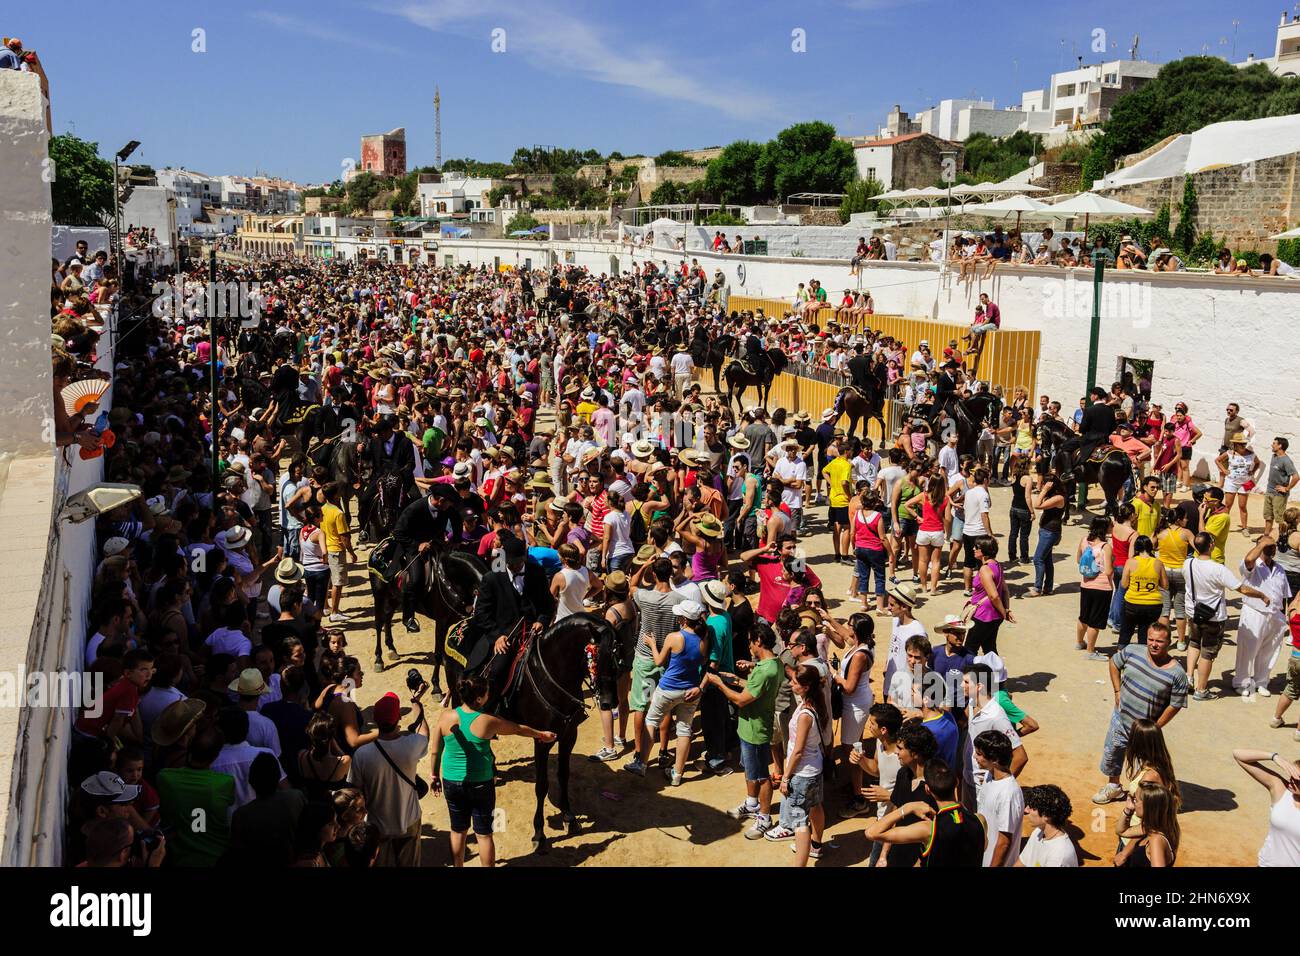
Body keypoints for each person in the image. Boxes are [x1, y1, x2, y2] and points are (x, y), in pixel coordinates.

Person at [431, 674, 556, 867]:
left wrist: (433, 775)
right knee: (484, 834)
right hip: (480, 783)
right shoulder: (488, 721)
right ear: (479, 699)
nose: (489, 696)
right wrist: (541, 734)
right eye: (487, 693)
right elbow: (518, 729)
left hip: (451, 781)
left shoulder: (446, 716)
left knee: (457, 830)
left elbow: (435, 751)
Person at [1094, 623, 1188, 804]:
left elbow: (1175, 705)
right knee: (1113, 753)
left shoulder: (1177, 674)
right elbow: (1114, 662)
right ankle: (1113, 787)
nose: (1153, 644)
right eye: (1151, 639)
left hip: (1146, 729)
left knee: (1151, 765)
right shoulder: (1132, 651)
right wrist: (1117, 691)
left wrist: (1155, 727)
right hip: (1120, 719)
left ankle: (1153, 799)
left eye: (1159, 641)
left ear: (1169, 642)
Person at [714, 622, 782, 840]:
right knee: (751, 770)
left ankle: (764, 818)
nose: (749, 647)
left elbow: (741, 700)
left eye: (751, 642)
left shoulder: (765, 671)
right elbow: (755, 688)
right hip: (749, 728)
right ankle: (752, 803)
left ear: (758, 641)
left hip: (755, 730)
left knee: (762, 775)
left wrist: (719, 684)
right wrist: (736, 679)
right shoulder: (771, 664)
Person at [348, 688, 429, 867]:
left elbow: (355, 790)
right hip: (408, 820)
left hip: (377, 825)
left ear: (376, 720)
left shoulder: (362, 755)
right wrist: (418, 707)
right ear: (398, 718)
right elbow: (424, 734)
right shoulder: (411, 746)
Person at [1184, 531, 1268, 700]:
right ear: (1211, 546)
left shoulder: (1188, 564)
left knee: (1194, 644)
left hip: (1193, 612)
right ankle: (1201, 690)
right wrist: (1261, 595)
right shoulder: (1218, 569)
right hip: (1213, 617)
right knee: (1208, 652)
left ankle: (1188, 678)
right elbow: (1241, 588)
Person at [637, 600, 709, 786]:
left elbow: (659, 661)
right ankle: (677, 774)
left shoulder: (674, 637)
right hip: (691, 689)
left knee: (651, 721)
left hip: (669, 688)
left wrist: (652, 644)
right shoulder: (703, 638)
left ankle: (642, 764)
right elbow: (702, 662)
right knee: (685, 729)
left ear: (684, 619)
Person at [766, 664, 829, 864]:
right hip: (814, 769)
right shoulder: (814, 704)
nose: (791, 684)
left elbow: (798, 751)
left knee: (799, 822)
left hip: (802, 774)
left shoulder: (804, 715)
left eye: (794, 682)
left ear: (806, 686)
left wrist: (786, 777)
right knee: (816, 806)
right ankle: (816, 846)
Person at [1235, 535, 1294, 698]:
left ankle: (1261, 681)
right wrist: (1262, 543)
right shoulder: (1252, 566)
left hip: (1275, 615)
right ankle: (1242, 682)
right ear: (1259, 547)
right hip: (1254, 612)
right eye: (1266, 546)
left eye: (1272, 546)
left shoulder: (1280, 568)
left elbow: (1284, 594)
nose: (1271, 549)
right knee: (1248, 649)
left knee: (1270, 651)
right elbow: (1248, 559)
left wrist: (1284, 615)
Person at [1232, 749, 1300, 866]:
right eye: (1291, 774)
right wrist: (1275, 757)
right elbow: (1238, 755)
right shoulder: (1281, 790)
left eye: (1297, 778)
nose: (1291, 780)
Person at [973, 730, 1024, 867]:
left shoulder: (1008, 794)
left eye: (979, 754)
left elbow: (1004, 842)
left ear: (994, 760)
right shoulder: (989, 776)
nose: (974, 756)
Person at [964, 536, 1013, 656]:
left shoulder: (985, 569)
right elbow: (1005, 591)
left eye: (977, 547)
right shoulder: (997, 565)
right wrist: (1005, 610)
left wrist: (1004, 613)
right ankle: (997, 673)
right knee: (989, 647)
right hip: (995, 616)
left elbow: (994, 596)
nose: (973, 549)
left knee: (970, 648)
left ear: (984, 551)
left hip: (983, 615)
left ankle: (970, 674)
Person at [1112, 782, 1178, 867]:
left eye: (1136, 800)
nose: (1133, 801)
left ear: (1148, 806)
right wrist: (1128, 810)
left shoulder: (1156, 840)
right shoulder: (1150, 827)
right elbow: (1121, 831)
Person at [1076, 516, 1114, 658]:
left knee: (1084, 616)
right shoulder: (1106, 547)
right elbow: (1109, 571)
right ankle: (1090, 651)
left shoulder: (1084, 541)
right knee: (1095, 621)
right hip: (1102, 587)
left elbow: (1078, 560)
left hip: (1086, 584)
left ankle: (1080, 642)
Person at [1118, 535, 1167, 648]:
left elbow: (1124, 584)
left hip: (1132, 603)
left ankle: (1121, 656)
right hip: (1153, 605)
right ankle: (1143, 659)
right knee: (1145, 634)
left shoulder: (1131, 562)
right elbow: (1165, 585)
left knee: (1126, 631)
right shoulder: (1158, 563)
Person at [1017, 785, 1078, 866]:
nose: (1026, 810)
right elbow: (1021, 863)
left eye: (1032, 807)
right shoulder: (1038, 832)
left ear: (1046, 816)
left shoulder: (1059, 857)